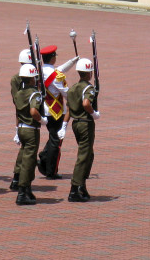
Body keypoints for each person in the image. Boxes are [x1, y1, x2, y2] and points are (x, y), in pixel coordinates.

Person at [37, 45, 77, 180]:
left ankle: (44, 157)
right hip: (56, 111)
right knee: (57, 141)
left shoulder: (39, 70)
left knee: (53, 136)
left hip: (44, 109)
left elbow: (59, 69)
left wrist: (72, 61)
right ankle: (50, 170)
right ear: (52, 58)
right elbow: (66, 92)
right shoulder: (56, 75)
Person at [66, 57, 100, 203]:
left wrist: (64, 125)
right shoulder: (88, 88)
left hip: (76, 123)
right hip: (85, 123)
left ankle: (81, 184)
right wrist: (93, 113)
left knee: (88, 154)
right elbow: (86, 103)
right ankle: (75, 187)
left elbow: (68, 108)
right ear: (89, 73)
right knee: (84, 155)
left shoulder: (73, 88)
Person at [12, 64, 46, 205]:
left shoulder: (19, 93)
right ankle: (22, 192)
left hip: (21, 127)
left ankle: (27, 190)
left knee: (26, 157)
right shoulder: (34, 93)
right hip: (31, 129)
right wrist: (41, 119)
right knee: (28, 161)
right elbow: (33, 111)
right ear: (32, 79)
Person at [8, 48, 34, 191]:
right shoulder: (19, 78)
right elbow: (17, 101)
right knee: (28, 151)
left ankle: (18, 177)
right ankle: (20, 180)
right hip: (28, 115)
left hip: (23, 113)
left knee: (24, 149)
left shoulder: (16, 78)